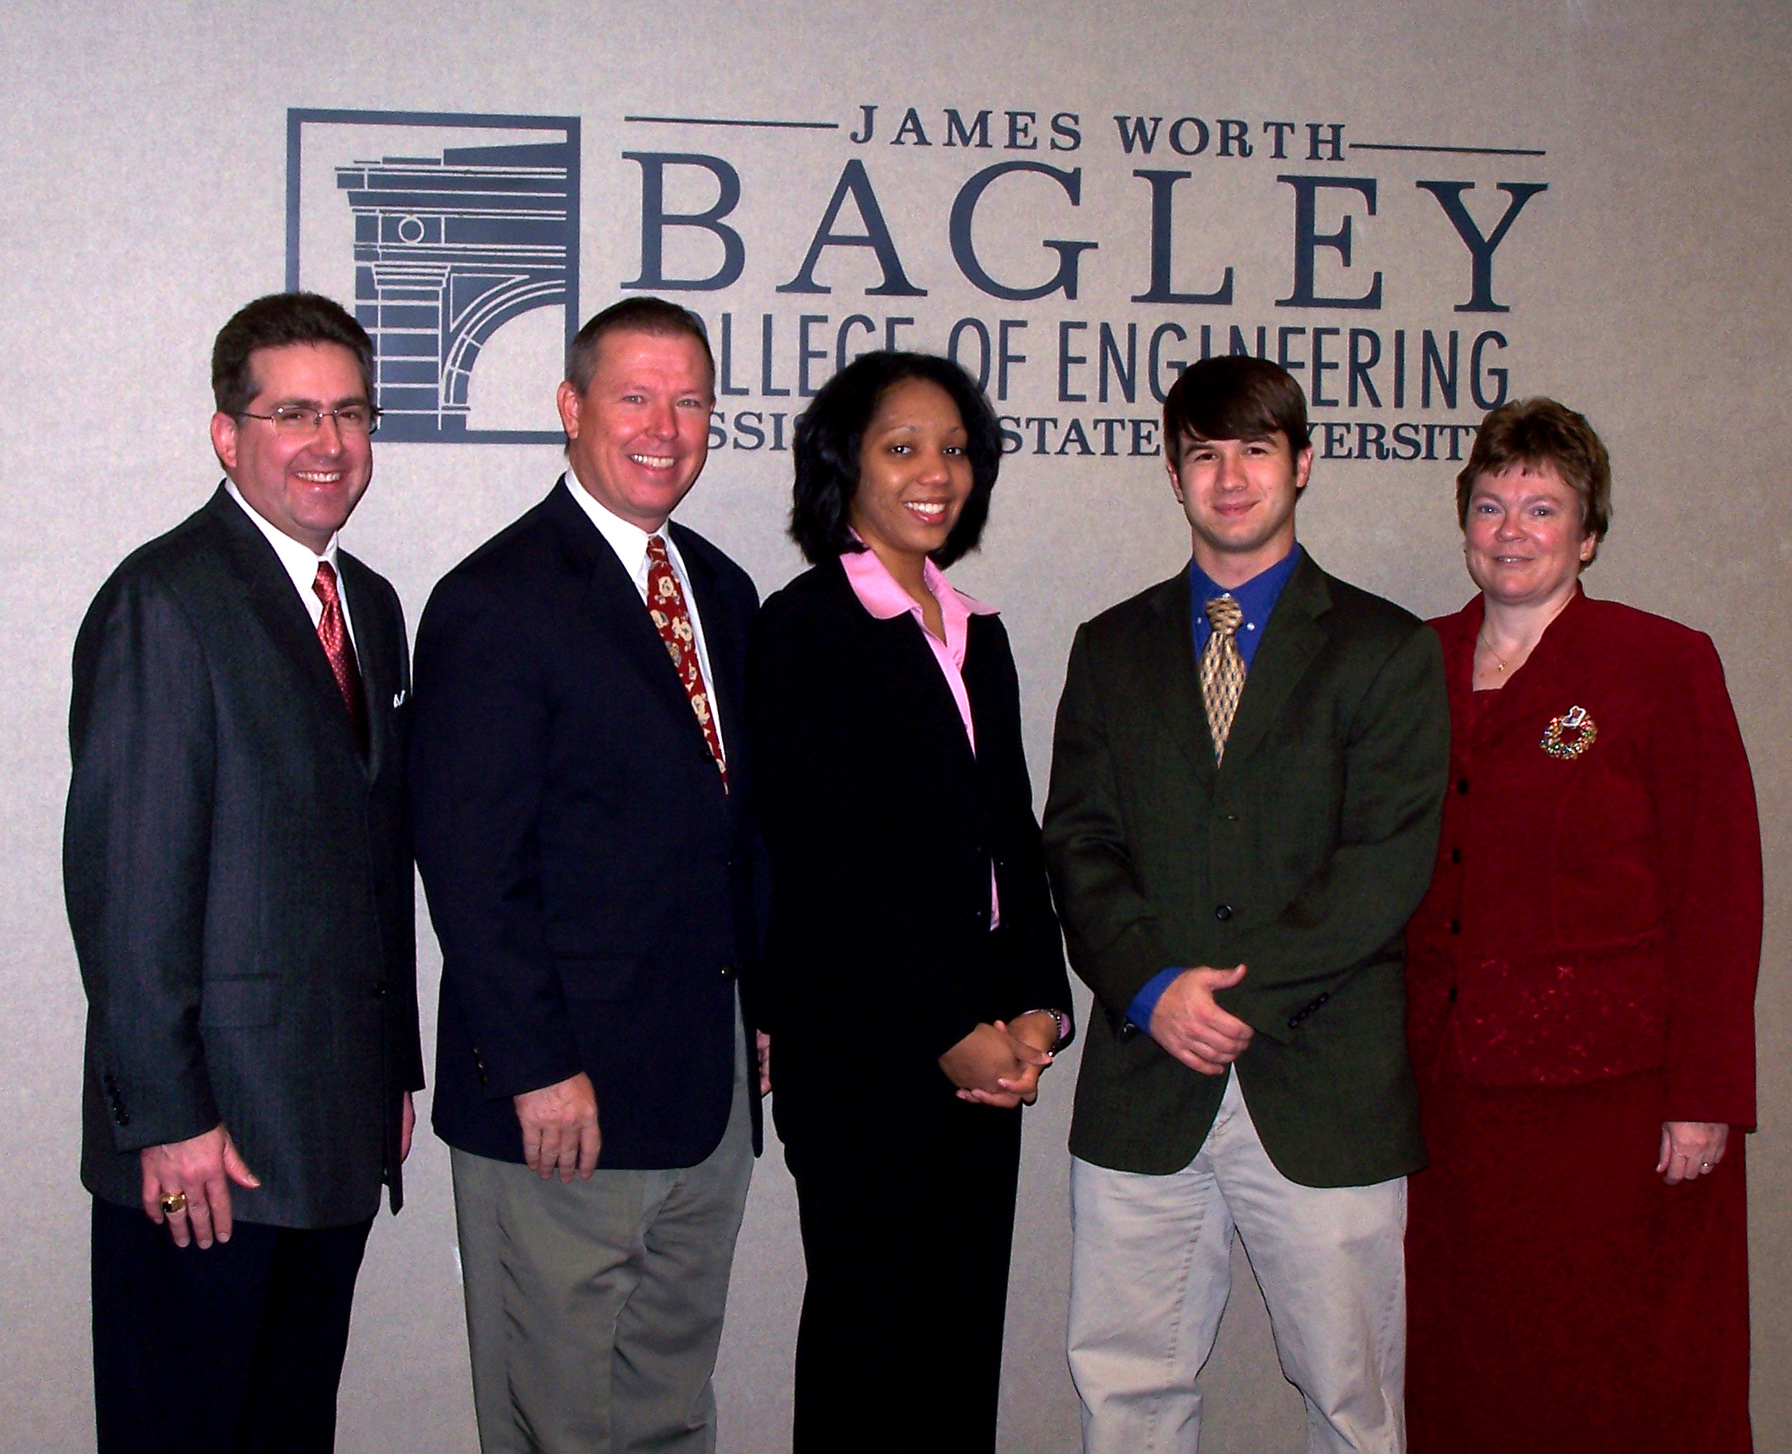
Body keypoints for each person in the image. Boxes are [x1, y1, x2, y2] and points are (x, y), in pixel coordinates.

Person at [1043, 354, 1450, 1454]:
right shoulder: (1110, 644)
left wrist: (1233, 995)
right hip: (1145, 1079)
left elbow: (1385, 863)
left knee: (1353, 1404)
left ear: (1302, 463)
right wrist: (1155, 986)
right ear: (1174, 473)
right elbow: (1078, 842)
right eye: (1204, 453)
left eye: (1256, 449)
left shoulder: (1386, 648)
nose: (1230, 477)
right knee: (1128, 1392)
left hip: (1324, 1086)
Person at [65, 292, 422, 1454]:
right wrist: (168, 1122)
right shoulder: (165, 599)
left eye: (351, 412)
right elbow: (126, 891)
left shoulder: (366, 603)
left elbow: (375, 860)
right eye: (294, 413)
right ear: (230, 435)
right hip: (204, 1153)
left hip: (328, 1132)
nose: (330, 442)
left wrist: (393, 1072)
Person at [410, 297, 765, 1454]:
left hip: (699, 1091)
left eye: (690, 400)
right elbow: (472, 865)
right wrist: (538, 1064)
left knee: (669, 1402)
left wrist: (757, 1002)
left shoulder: (722, 588)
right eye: (635, 395)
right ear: (571, 409)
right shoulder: (494, 599)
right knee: (557, 1419)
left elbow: (736, 826)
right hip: (563, 1103)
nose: (665, 426)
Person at [1403, 397, 1760, 1452]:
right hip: (1450, 1102)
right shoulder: (1409, 663)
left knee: (1620, 1368)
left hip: (1617, 1107)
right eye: (1491, 503)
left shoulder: (1660, 664)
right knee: (1470, 1361)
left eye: (1543, 507)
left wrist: (1705, 1096)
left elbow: (1719, 888)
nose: (1511, 529)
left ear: (1589, 532)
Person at [748, 351, 1073, 1453]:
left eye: (955, 448)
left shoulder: (977, 631)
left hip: (988, 1041)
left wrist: (1036, 1003)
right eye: (903, 446)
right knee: (868, 1353)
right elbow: (825, 871)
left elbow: (1011, 836)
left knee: (957, 1348)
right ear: (845, 467)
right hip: (869, 1049)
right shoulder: (804, 629)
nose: (936, 470)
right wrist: (950, 1032)